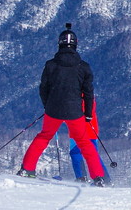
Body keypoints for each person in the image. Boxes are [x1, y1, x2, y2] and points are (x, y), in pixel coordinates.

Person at [18, 24, 107, 185]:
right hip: (75, 112)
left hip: (53, 109)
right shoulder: (83, 67)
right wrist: (87, 114)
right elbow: (88, 93)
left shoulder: (50, 64)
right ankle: (98, 177)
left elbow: (43, 88)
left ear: (59, 43)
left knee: (44, 137)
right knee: (84, 143)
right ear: (75, 44)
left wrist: (47, 105)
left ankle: (27, 169)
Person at [70, 97, 110, 183]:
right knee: (93, 154)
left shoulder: (75, 93)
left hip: (79, 129)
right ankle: (105, 179)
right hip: (91, 129)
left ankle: (81, 177)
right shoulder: (88, 92)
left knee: (76, 152)